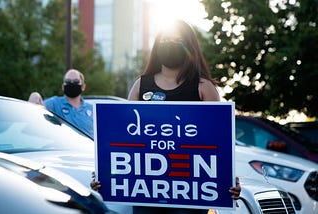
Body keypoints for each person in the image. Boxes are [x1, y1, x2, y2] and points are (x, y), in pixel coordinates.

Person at [92, 20, 241, 214]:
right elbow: (124, 142)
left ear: (190, 46)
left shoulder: (203, 87)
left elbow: (218, 144)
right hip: (147, 193)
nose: (170, 44)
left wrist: (228, 180)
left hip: (190, 197)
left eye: (177, 40)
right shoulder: (140, 86)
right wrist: (104, 173)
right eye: (165, 39)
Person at [29, 69, 93, 138]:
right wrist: (35, 95)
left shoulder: (93, 109)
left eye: (76, 81)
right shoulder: (54, 103)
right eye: (68, 81)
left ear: (83, 86)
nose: (71, 84)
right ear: (63, 86)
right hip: (64, 147)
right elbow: (36, 110)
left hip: (87, 148)